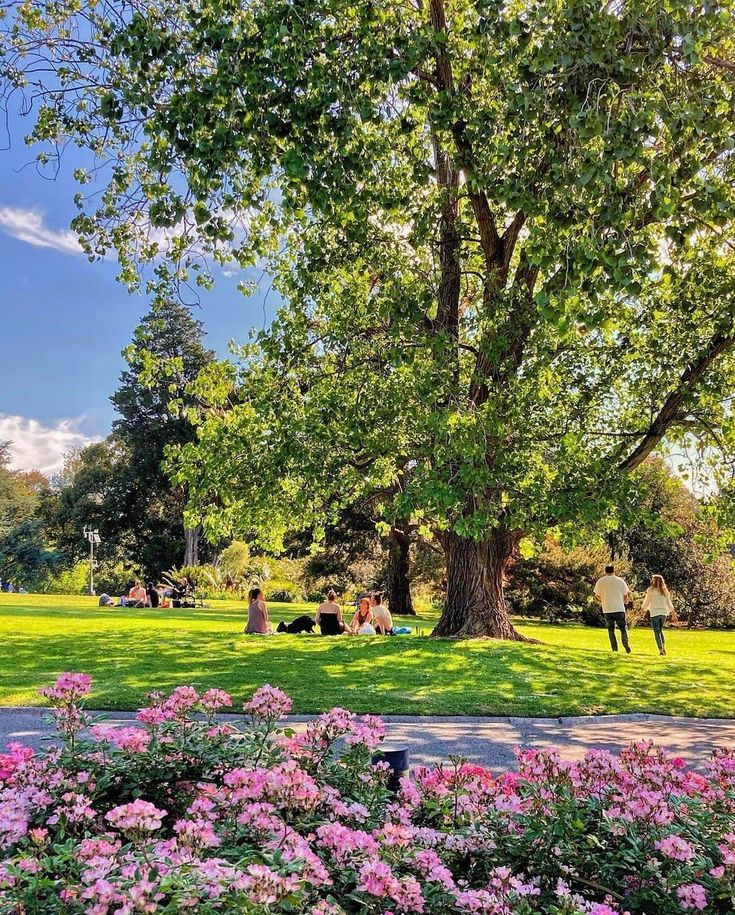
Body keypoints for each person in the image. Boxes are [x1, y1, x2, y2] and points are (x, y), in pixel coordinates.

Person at [593, 565, 632, 653]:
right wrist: (624, 602)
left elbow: (597, 594)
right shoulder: (620, 581)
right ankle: (625, 642)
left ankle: (614, 648)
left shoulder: (601, 581)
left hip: (607, 609)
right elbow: (625, 594)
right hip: (619, 608)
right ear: (614, 571)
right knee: (623, 628)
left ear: (605, 571)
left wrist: (602, 600)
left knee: (611, 630)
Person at [642, 574, 675, 656]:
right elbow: (669, 603)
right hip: (663, 613)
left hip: (655, 613)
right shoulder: (665, 591)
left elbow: (647, 601)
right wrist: (673, 613)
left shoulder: (651, 590)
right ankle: (663, 647)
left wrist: (643, 609)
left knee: (657, 631)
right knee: (660, 630)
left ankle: (661, 649)